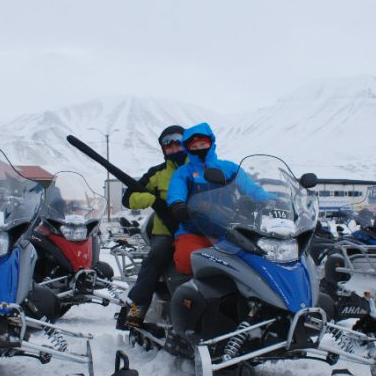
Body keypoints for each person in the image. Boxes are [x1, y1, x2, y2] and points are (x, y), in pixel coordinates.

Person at [167, 122, 271, 275]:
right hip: (193, 229)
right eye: (194, 147)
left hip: (227, 230)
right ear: (188, 149)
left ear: (211, 143)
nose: (199, 149)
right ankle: (189, 295)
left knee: (251, 263)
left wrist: (271, 200)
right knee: (187, 259)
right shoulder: (184, 172)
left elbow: (251, 188)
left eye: (203, 144)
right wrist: (177, 204)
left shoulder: (229, 168)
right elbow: (176, 191)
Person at [115, 125, 187, 329]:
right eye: (168, 144)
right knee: (155, 259)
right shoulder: (157, 174)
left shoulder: (200, 169)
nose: (173, 148)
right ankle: (137, 309)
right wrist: (149, 199)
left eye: (178, 142)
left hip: (198, 231)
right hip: (165, 233)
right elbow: (128, 199)